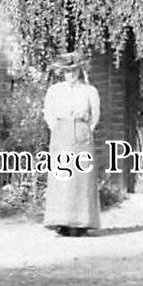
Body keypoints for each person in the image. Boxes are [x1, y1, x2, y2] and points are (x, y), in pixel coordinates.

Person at [42, 51, 101, 236]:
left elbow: (95, 116)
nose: (71, 75)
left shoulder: (89, 91)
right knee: (62, 178)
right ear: (62, 73)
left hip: (82, 135)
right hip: (61, 133)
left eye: (74, 71)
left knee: (81, 179)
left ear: (79, 71)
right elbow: (48, 113)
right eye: (68, 72)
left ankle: (81, 223)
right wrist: (59, 129)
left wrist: (85, 130)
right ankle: (61, 223)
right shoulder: (55, 91)